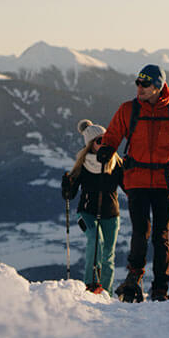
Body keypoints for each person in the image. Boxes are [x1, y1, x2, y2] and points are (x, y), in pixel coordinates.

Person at [96, 64, 169, 302]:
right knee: (140, 231)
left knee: (161, 235)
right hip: (136, 180)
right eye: (137, 82)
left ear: (158, 86)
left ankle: (160, 288)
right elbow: (113, 134)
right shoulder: (128, 110)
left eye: (145, 84)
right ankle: (134, 278)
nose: (139, 88)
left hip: (165, 182)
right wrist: (106, 148)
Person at [61, 119, 125, 296]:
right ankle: (90, 286)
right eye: (99, 141)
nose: (104, 143)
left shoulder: (116, 163)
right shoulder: (83, 164)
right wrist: (67, 185)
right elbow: (70, 195)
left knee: (108, 256)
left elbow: (128, 187)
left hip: (112, 215)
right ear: (90, 145)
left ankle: (106, 293)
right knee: (96, 240)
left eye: (106, 139)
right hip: (86, 213)